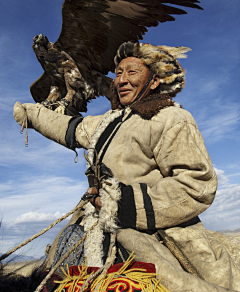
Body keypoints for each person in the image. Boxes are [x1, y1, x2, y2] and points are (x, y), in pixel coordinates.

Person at [13, 42, 240, 292]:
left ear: (154, 81)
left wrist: (121, 203)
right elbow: (71, 127)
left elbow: (196, 185)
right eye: (118, 73)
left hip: (150, 235)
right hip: (91, 228)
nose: (121, 79)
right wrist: (32, 114)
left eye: (131, 72)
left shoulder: (171, 118)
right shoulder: (106, 123)